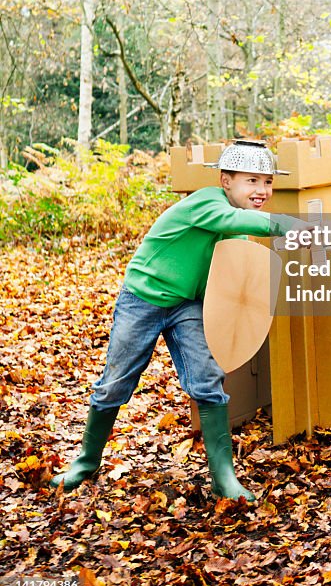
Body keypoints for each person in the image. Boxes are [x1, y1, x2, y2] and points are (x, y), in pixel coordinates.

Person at [49, 139, 305, 502]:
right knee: (116, 383)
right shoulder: (208, 203)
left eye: (267, 182)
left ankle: (224, 479)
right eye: (252, 180)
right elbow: (230, 218)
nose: (262, 190)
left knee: (208, 380)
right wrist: (285, 225)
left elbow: (233, 274)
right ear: (226, 180)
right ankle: (86, 463)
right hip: (144, 298)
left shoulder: (240, 227)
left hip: (189, 305)